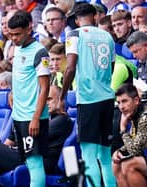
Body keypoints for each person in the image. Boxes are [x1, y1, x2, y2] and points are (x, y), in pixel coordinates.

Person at [58, 3, 116, 187]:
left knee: (88, 154)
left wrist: (62, 97)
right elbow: (111, 68)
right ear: (95, 16)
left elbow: (70, 68)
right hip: (107, 98)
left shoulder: (74, 35)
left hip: (89, 99)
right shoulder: (108, 37)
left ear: (76, 20)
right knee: (105, 156)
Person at [0, 85, 73, 186]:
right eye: (44, 99)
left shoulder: (62, 120)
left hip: (40, 162)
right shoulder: (48, 119)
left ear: (60, 99)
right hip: (28, 156)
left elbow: (31, 136)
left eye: (49, 99)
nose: (45, 102)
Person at [8, 10, 50, 187]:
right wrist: (12, 92)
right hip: (19, 116)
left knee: (35, 163)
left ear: (29, 29)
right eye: (10, 35)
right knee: (26, 162)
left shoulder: (40, 52)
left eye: (17, 34)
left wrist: (35, 118)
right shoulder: (17, 49)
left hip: (32, 117)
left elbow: (45, 87)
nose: (13, 39)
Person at [112, 83, 147, 187]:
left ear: (136, 100)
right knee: (116, 163)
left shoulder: (144, 117)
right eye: (118, 102)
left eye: (124, 101)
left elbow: (135, 149)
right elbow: (135, 140)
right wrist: (120, 151)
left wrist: (123, 130)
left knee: (129, 165)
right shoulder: (133, 114)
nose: (121, 107)